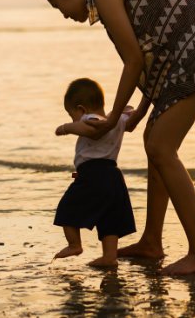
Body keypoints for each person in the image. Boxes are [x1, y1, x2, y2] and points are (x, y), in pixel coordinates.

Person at [39, 0, 195, 275]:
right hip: (180, 58)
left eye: (57, 6)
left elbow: (133, 60)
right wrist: (139, 111)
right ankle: (152, 242)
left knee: (162, 147)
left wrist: (110, 119)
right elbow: (147, 55)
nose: (62, 14)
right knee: (154, 143)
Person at [53, 77, 143, 267]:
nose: (72, 121)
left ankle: (74, 245)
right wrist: (143, 103)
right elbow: (132, 119)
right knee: (109, 219)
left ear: (81, 110)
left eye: (72, 116)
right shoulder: (116, 120)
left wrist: (66, 128)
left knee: (66, 208)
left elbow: (87, 128)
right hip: (114, 176)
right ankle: (109, 257)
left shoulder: (90, 119)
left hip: (93, 174)